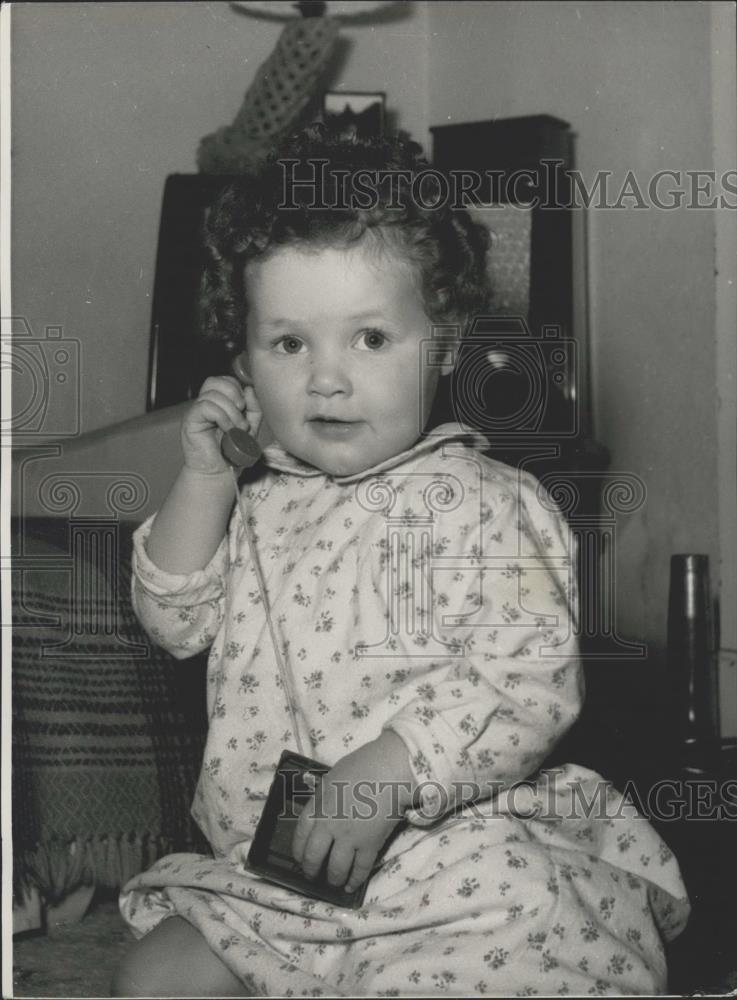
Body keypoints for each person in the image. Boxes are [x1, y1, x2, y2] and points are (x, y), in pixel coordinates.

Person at [113, 125, 689, 997]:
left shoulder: (486, 500)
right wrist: (201, 482)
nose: (327, 380)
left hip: (451, 854)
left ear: (445, 343)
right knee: (157, 975)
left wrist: (395, 765)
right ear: (242, 361)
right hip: (276, 879)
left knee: (508, 946)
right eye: (289, 344)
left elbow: (528, 676)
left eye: (370, 340)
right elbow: (171, 618)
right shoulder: (254, 499)